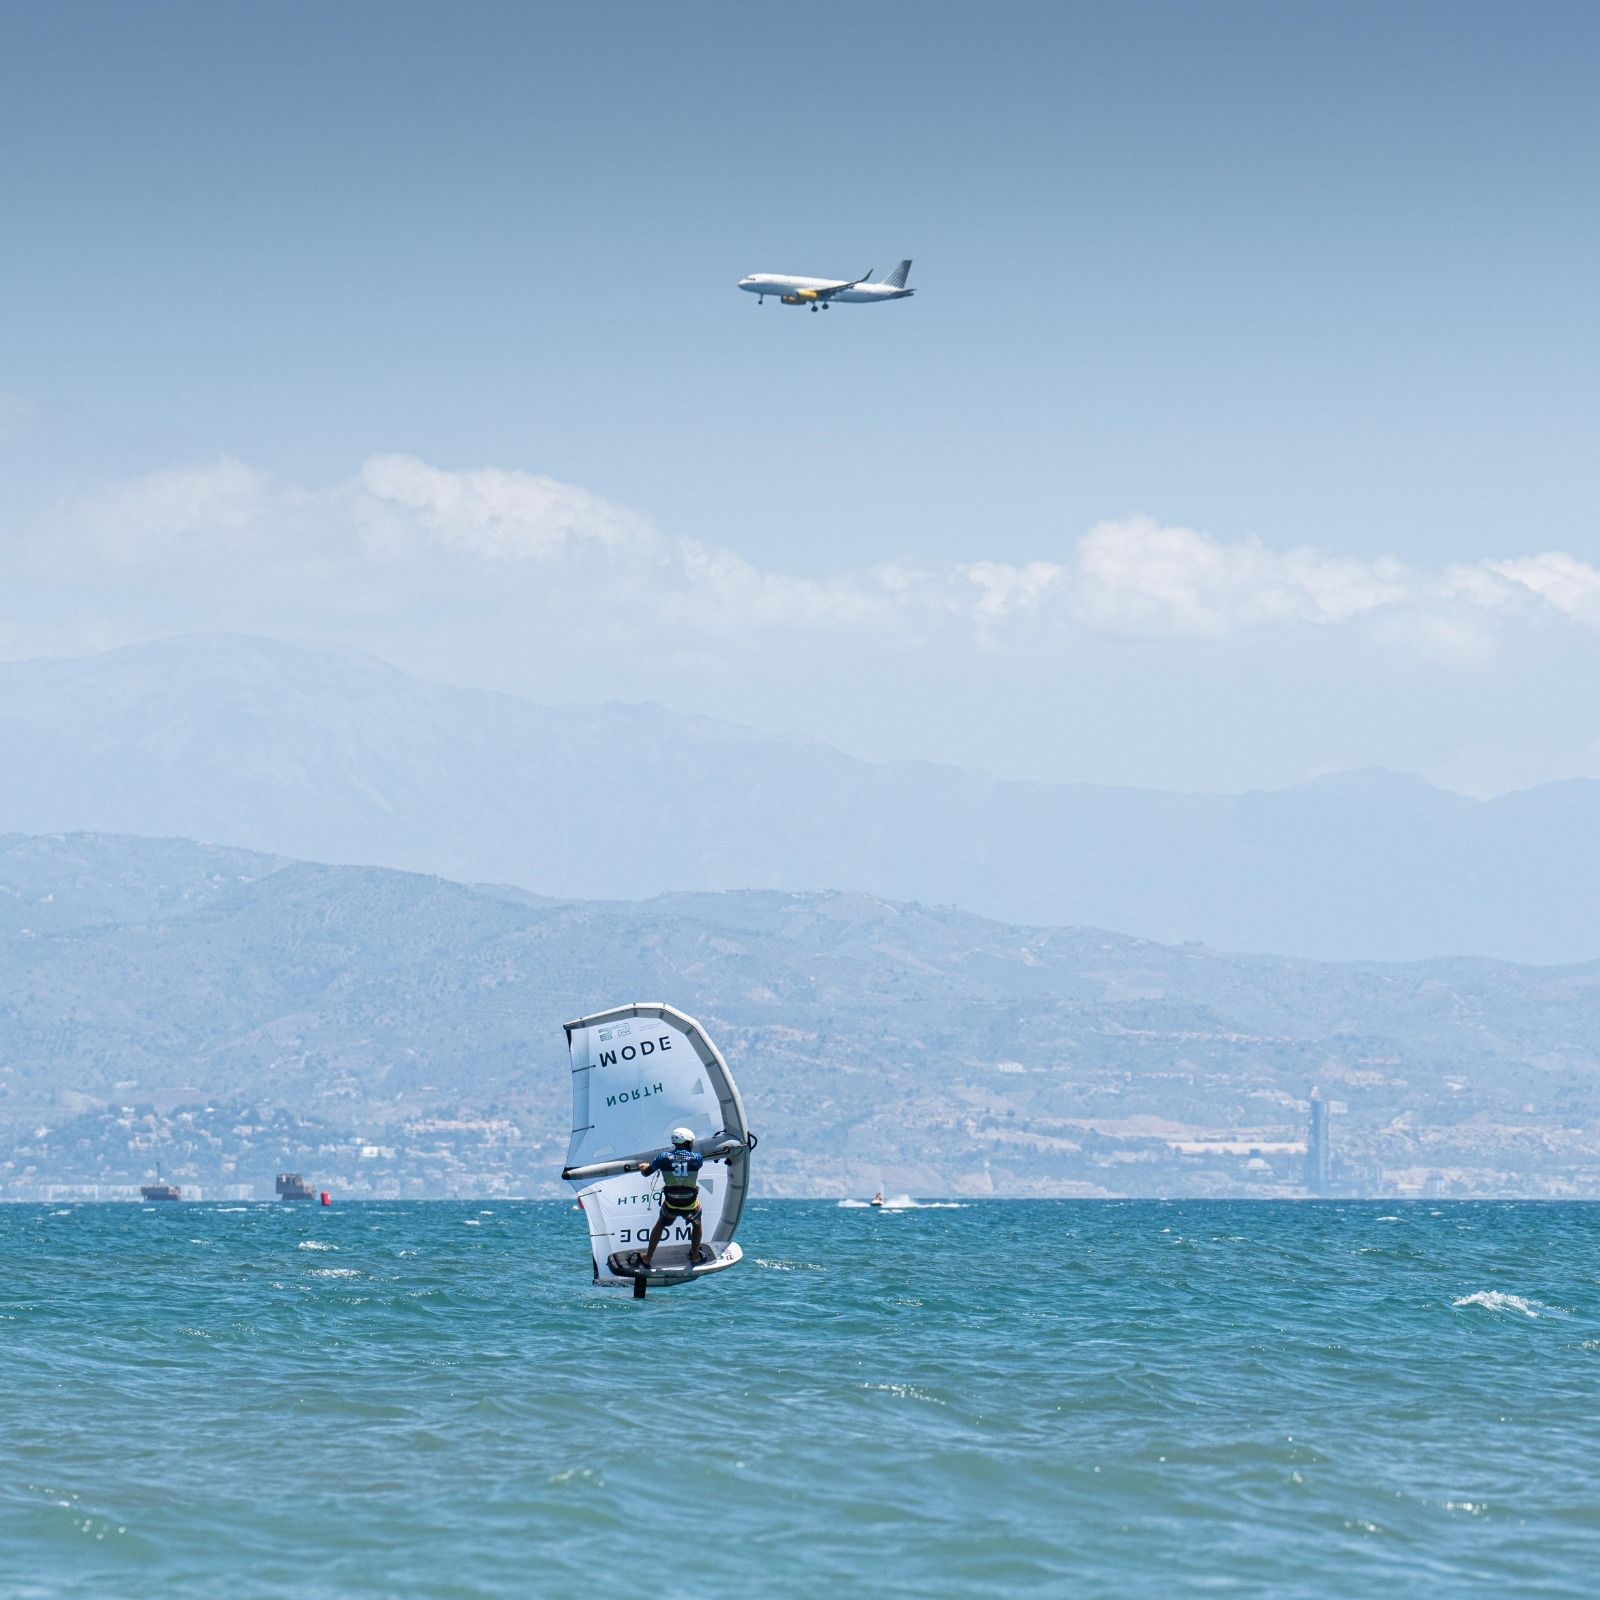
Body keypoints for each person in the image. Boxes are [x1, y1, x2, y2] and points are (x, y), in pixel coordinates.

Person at [636, 1127, 707, 1271]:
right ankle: (694, 1255)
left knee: (660, 1225)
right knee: (697, 1224)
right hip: (689, 1204)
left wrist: (643, 1167)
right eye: (691, 1142)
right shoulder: (697, 1158)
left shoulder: (663, 1158)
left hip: (671, 1204)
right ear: (687, 1143)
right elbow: (689, 1163)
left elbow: (646, 1173)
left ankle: (648, 1257)